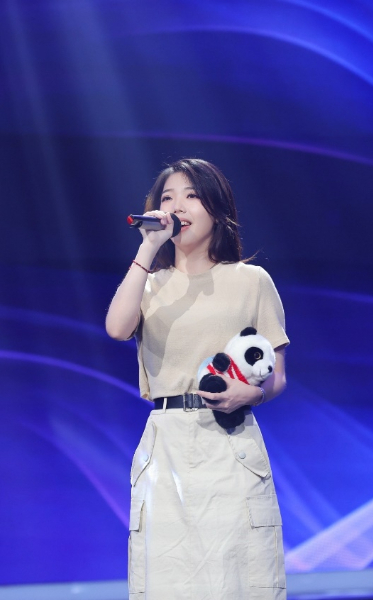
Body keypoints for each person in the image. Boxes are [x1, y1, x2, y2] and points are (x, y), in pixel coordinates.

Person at [106, 158, 289, 600]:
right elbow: (116, 328)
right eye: (168, 197)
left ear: (216, 209)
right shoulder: (149, 283)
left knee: (237, 578)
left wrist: (251, 394)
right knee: (167, 579)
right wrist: (148, 248)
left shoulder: (251, 281)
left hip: (229, 442)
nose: (178, 206)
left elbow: (277, 376)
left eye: (191, 196)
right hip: (166, 444)